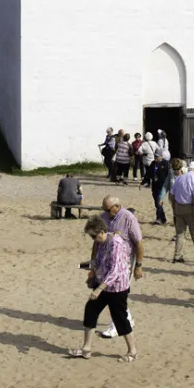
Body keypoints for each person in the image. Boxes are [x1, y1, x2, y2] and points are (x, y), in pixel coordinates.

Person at [69, 216, 138, 362]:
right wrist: (92, 274)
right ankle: (86, 349)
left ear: (101, 231)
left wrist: (98, 289)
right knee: (90, 311)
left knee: (120, 318)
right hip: (103, 284)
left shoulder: (116, 243)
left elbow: (115, 271)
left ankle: (132, 351)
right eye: (91, 237)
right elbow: (99, 261)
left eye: (94, 235)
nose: (93, 239)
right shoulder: (101, 242)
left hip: (117, 288)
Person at [92, 195, 144, 339]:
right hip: (105, 260)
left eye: (107, 209)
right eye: (103, 209)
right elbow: (96, 241)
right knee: (110, 293)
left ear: (116, 206)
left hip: (124, 261)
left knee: (117, 293)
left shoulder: (129, 219)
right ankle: (127, 318)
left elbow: (139, 243)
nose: (105, 212)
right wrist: (93, 262)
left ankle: (116, 324)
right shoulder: (103, 217)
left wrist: (138, 266)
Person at [150, 150, 171, 225]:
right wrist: (144, 182)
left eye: (157, 156)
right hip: (154, 186)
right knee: (157, 203)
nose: (155, 157)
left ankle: (158, 218)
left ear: (161, 156)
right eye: (155, 156)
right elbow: (148, 173)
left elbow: (169, 175)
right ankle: (163, 218)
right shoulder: (153, 163)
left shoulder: (166, 163)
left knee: (159, 202)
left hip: (162, 186)